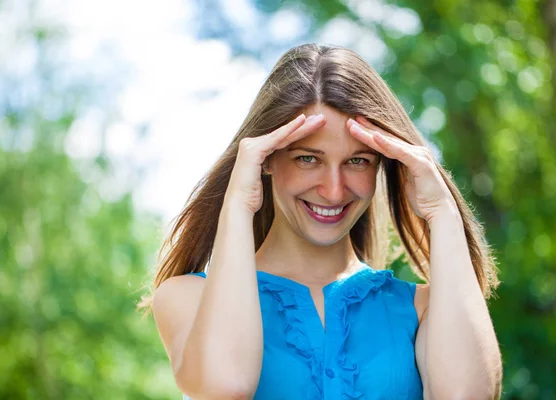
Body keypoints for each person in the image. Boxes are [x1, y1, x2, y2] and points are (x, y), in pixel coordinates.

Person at [140, 43, 503, 399]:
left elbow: (466, 395)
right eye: (307, 159)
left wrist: (442, 211)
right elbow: (225, 385)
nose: (333, 190)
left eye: (357, 161)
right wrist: (238, 203)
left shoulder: (421, 308)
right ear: (265, 159)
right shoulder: (187, 298)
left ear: (382, 165)